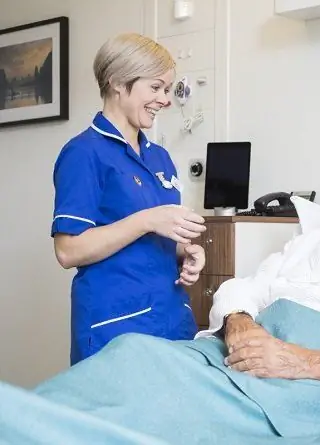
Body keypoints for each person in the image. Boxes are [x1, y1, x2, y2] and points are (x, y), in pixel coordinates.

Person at [0, 136, 320, 445]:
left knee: (162, 406)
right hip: (232, 351)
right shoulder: (316, 242)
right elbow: (244, 286)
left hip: (299, 381)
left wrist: (299, 361)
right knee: (132, 356)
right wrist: (239, 322)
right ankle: (27, 418)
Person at [51, 33, 207, 366]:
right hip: (117, 327)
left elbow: (157, 239)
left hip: (171, 319)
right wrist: (147, 219)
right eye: (156, 88)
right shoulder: (83, 153)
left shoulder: (160, 157)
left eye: (166, 90)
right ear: (118, 83)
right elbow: (68, 250)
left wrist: (187, 254)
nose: (164, 100)